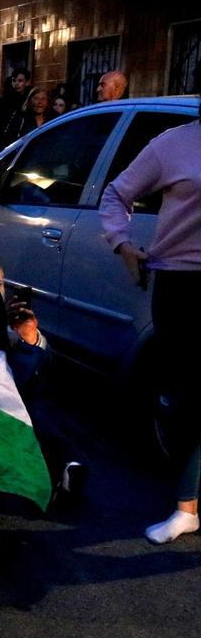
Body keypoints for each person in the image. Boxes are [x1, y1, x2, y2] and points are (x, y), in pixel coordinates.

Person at [100, 106, 201, 544]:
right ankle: (187, 508)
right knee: (189, 399)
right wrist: (122, 244)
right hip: (182, 285)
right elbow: (115, 195)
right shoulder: (172, 145)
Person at [0, 258, 85, 508]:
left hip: (18, 392)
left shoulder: (14, 319)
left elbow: (44, 361)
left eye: (0, 283)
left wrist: (30, 337)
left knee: (41, 407)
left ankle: (64, 469)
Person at [0, 68, 30, 156]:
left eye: (20, 81)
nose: (16, 84)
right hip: (5, 145)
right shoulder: (4, 101)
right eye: (14, 80)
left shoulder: (29, 100)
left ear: (27, 82)